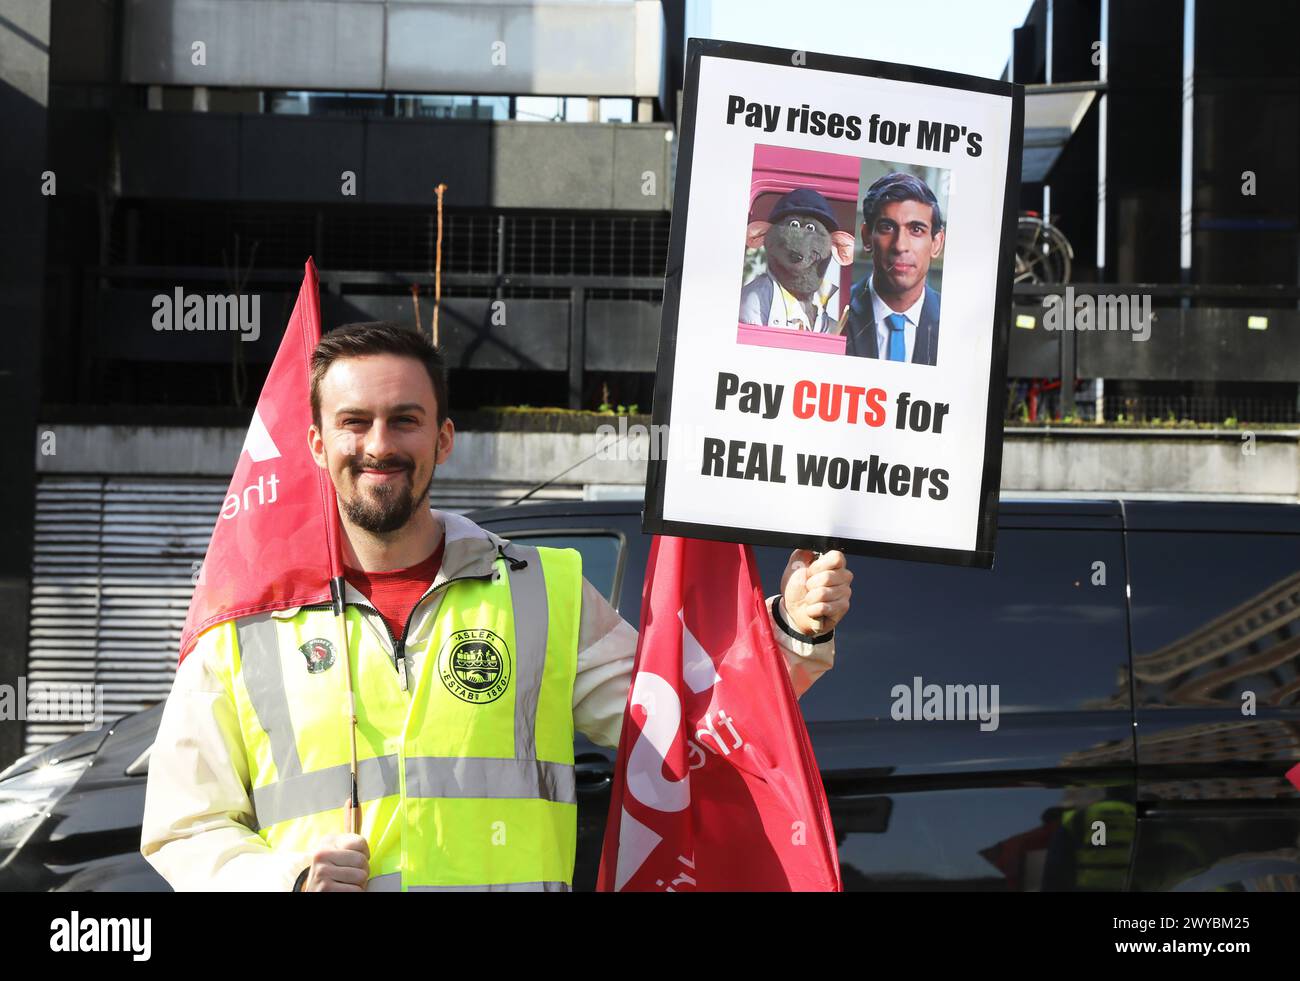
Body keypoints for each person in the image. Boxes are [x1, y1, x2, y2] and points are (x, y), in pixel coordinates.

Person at [140, 321, 854, 892]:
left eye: (405, 420)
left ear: (443, 439)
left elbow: (688, 721)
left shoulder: (545, 590)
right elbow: (183, 824)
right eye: (355, 422)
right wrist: (285, 880)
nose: (379, 445)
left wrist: (789, 629)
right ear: (317, 444)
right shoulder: (243, 621)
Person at [840, 172, 945, 365]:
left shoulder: (954, 323)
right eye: (887, 227)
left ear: (936, 243)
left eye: (916, 230)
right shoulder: (834, 315)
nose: (900, 245)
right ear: (866, 237)